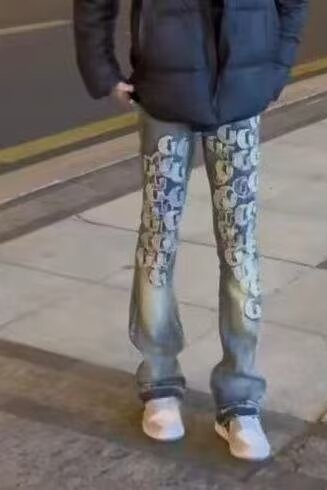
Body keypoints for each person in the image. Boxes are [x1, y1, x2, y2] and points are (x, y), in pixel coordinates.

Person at [73, 0, 308, 461]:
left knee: (240, 247)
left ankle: (240, 397)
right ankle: (160, 382)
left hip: (241, 93)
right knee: (158, 240)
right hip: (164, 92)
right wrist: (101, 70)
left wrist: (275, 71)